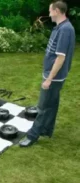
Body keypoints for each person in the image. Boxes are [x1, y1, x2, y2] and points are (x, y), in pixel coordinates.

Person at [19, 0, 76, 147]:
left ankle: (32, 136)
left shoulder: (65, 30)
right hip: (54, 74)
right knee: (52, 104)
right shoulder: (61, 27)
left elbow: (61, 57)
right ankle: (46, 129)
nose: (49, 14)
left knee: (43, 106)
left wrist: (49, 79)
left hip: (54, 76)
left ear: (57, 11)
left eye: (50, 11)